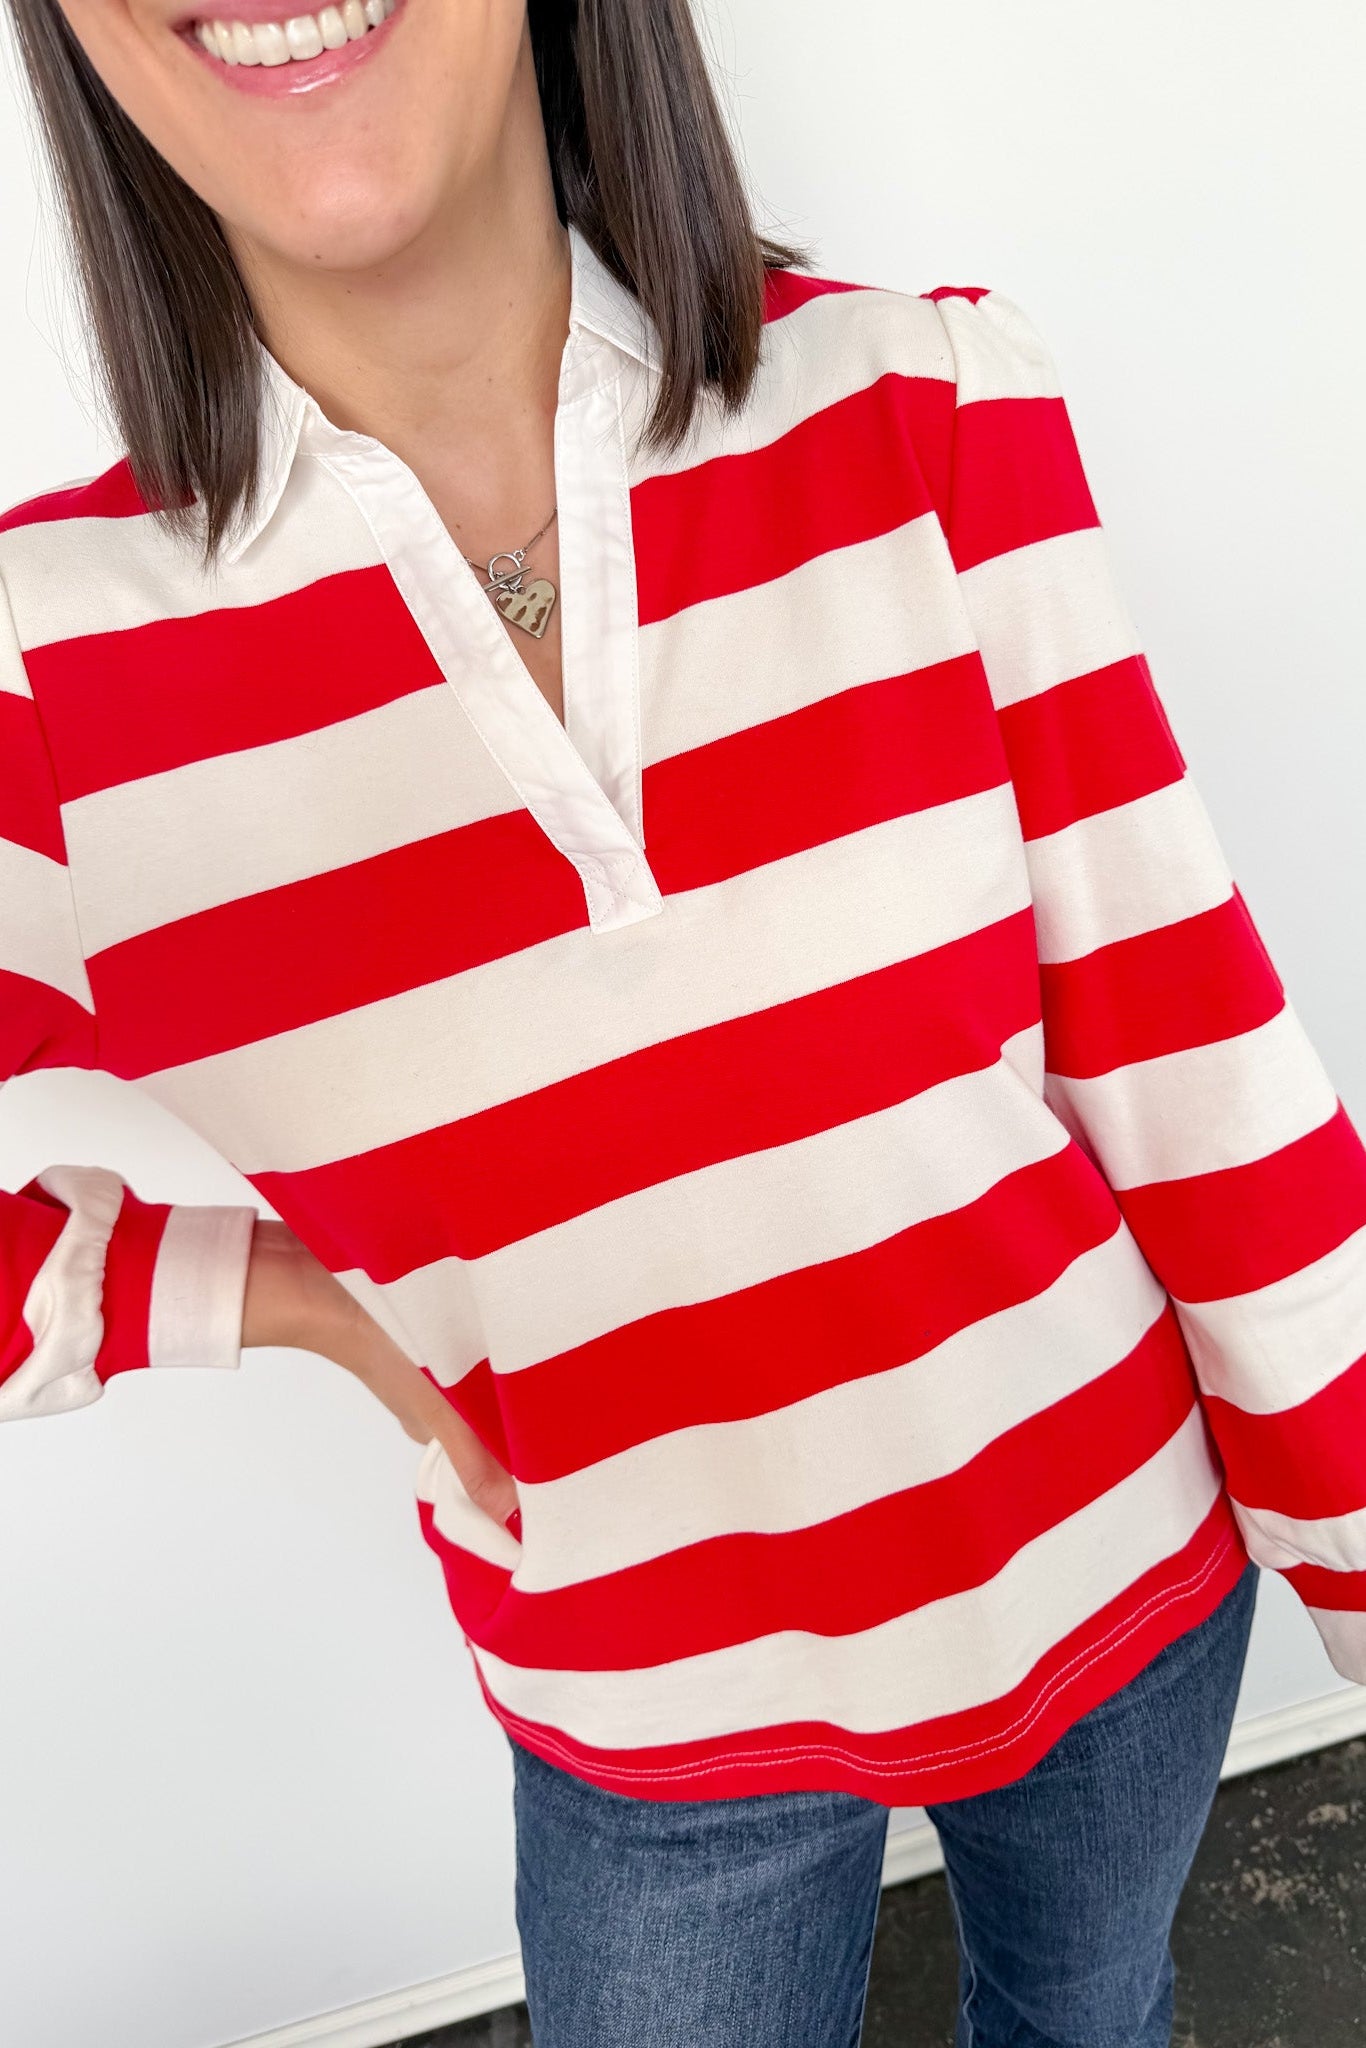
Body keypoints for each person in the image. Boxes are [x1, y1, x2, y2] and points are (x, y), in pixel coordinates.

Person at [0, 1, 1362, 2043]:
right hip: (643, 1717)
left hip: (1113, 1570)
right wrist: (267, 1296)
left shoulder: (928, 404)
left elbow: (1190, 1064)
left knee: (1090, 2018)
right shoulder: (53, 679)